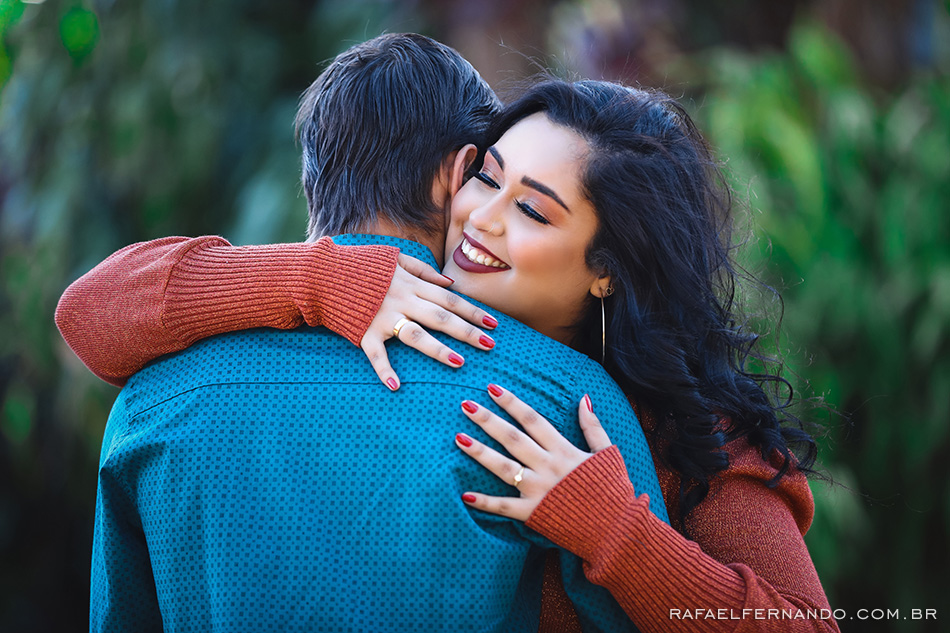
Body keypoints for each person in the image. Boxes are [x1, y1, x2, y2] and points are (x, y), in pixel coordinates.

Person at [60, 77, 839, 631]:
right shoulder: (399, 320)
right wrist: (314, 274)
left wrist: (618, 534)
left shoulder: (687, 427)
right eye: (486, 178)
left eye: (532, 209)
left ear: (608, 267)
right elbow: (91, 311)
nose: (481, 220)